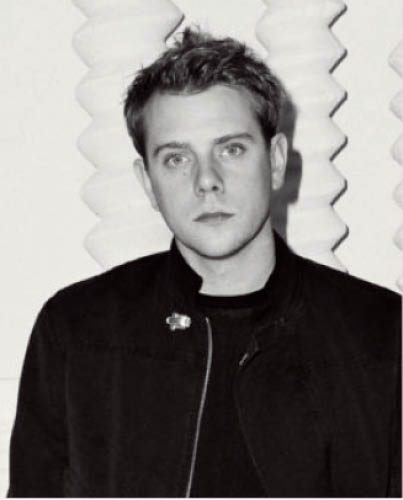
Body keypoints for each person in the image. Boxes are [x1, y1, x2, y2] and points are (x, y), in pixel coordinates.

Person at [7, 27, 401, 497]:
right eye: (177, 159)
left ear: (276, 161)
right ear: (148, 183)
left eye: (231, 149)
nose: (207, 180)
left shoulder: (383, 335)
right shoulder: (77, 331)